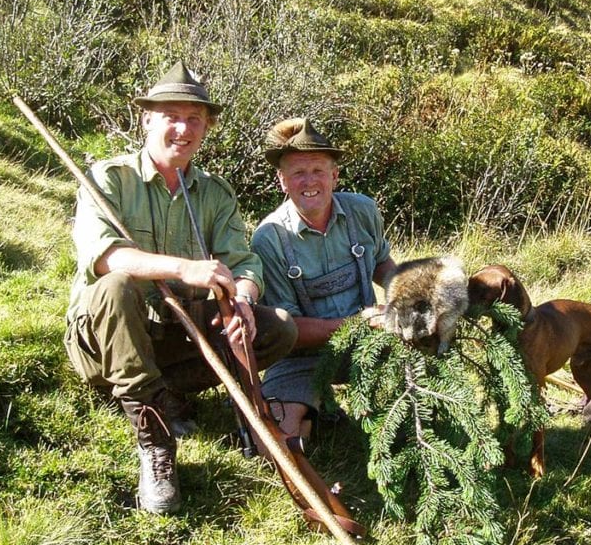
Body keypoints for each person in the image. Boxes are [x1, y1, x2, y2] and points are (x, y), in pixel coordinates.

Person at [64, 62, 297, 515]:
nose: (183, 128)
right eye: (171, 115)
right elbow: (106, 257)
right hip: (102, 339)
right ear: (147, 119)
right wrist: (184, 268)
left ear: (206, 127)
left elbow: (243, 262)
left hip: (175, 335)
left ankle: (160, 390)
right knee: (116, 286)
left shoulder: (214, 193)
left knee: (277, 329)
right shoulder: (109, 179)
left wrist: (243, 300)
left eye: (194, 119)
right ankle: (155, 437)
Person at [251, 118, 397, 441]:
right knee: (276, 439)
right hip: (301, 358)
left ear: (335, 175)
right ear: (282, 181)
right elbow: (290, 329)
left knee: (418, 378)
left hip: (369, 344)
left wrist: (404, 294)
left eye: (318, 170)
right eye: (298, 173)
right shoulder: (269, 238)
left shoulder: (363, 211)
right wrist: (358, 322)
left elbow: (382, 263)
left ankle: (368, 412)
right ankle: (315, 410)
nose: (309, 181)